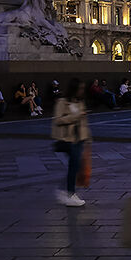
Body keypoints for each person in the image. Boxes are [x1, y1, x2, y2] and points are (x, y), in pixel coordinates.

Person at [52, 79, 91, 207]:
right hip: (67, 139)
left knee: (76, 166)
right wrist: (75, 116)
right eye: (80, 89)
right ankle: (69, 192)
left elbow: (83, 123)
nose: (81, 91)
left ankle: (66, 191)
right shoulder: (62, 102)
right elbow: (58, 120)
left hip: (79, 139)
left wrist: (88, 139)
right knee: (75, 165)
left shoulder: (80, 102)